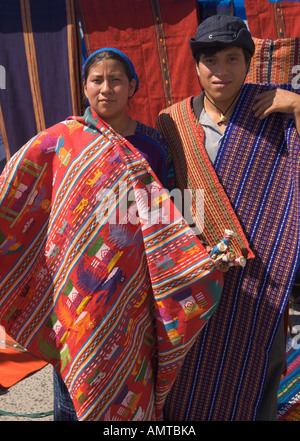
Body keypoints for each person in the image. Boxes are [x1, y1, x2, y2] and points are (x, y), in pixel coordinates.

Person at [0, 47, 225, 421]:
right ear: (84, 87)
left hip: (134, 286)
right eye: (97, 80)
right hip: (73, 284)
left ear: (132, 86)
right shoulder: (61, 141)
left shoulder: (153, 146)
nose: (106, 88)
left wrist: (199, 254)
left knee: (129, 374)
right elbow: (16, 186)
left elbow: (175, 207)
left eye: (116, 79)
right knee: (72, 376)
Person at [157, 15, 300, 421]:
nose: (221, 71)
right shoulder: (174, 121)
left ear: (248, 61)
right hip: (198, 271)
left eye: (232, 59)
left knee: (257, 367)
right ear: (197, 64)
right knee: (192, 369)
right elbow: (169, 198)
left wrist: (299, 105)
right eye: (211, 60)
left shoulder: (274, 105)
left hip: (265, 272)